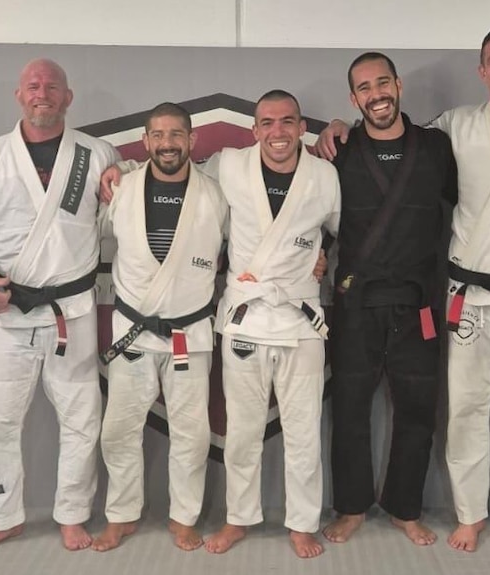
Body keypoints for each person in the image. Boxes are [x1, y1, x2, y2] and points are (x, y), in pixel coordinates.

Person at [318, 26, 490, 558]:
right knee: (465, 408)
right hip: (469, 293)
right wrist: (337, 127)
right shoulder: (456, 128)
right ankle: (468, 514)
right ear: (481, 71)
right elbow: (375, 162)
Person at [0, 58, 122, 555]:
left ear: (69, 96)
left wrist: (120, 176)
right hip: (10, 312)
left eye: (53, 86)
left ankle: (72, 514)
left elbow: (117, 214)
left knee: (81, 418)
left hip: (74, 310)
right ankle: (3, 516)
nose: (43, 93)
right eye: (33, 86)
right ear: (19, 95)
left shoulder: (97, 152)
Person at [316, 52, 458, 547]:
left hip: (419, 302)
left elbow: (468, 213)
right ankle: (352, 507)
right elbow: (311, 211)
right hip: (356, 304)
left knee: (417, 411)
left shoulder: (438, 148)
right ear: (353, 98)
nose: (376, 94)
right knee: (350, 410)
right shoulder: (339, 150)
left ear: (397, 85)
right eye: (363, 88)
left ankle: (405, 508)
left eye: (383, 82)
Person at [201, 90, 340, 559]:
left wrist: (326, 257)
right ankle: (238, 518)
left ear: (303, 127)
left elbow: (346, 232)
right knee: (241, 430)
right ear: (254, 129)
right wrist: (124, 174)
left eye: (287, 122)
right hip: (246, 315)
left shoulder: (325, 176)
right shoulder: (228, 165)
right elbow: (179, 182)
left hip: (301, 319)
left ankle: (302, 523)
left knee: (304, 430)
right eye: (267, 123)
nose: (277, 132)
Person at [91, 103, 228, 552]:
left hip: (190, 332)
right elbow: (84, 240)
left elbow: (245, 246)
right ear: (146, 141)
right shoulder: (122, 189)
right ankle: (122, 514)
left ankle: (183, 517)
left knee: (191, 432)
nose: (167, 143)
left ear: (192, 141)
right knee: (118, 430)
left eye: (176, 135)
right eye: (158, 135)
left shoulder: (216, 193)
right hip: (133, 330)